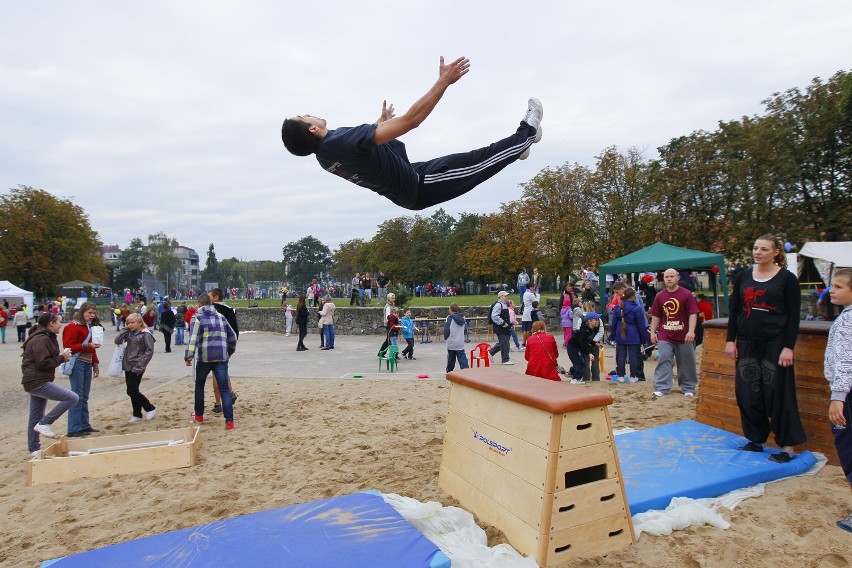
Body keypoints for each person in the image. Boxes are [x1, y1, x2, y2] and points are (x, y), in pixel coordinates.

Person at [281, 56, 543, 211]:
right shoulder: (340, 141)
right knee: (480, 160)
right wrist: (443, 81)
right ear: (312, 129)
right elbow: (412, 120)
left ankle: (516, 149)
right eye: (303, 117)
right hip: (419, 187)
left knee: (480, 159)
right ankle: (528, 132)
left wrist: (379, 123)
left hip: (412, 177)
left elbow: (361, 156)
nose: (308, 113)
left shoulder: (325, 156)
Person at [725, 235, 805, 462]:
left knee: (778, 394)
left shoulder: (787, 279)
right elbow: (735, 312)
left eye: (763, 249)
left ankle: (788, 446)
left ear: (776, 252)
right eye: (755, 248)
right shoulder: (743, 277)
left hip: (776, 345)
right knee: (748, 394)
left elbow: (793, 317)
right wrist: (731, 340)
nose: (757, 252)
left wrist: (788, 347)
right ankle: (756, 440)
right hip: (748, 344)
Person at [22, 313, 78, 457]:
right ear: (51, 324)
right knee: (72, 398)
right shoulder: (41, 339)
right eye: (59, 321)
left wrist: (61, 358)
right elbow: (43, 363)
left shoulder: (44, 336)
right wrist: (62, 358)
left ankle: (34, 449)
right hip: (37, 381)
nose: (61, 324)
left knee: (35, 417)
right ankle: (45, 423)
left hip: (35, 380)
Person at [185, 293, 237, 430]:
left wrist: (188, 356)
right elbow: (232, 338)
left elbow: (193, 338)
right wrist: (229, 352)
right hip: (221, 356)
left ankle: (199, 415)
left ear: (199, 304)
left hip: (205, 357)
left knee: (200, 385)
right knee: (224, 389)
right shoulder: (221, 317)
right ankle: (229, 422)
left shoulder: (197, 318)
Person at [825, 267, 852, 533]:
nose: (831, 290)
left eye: (839, 286)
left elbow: (845, 361)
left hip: (847, 395)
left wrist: (838, 397)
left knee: (848, 447)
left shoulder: (847, 321)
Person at [649, 269, 699, 397]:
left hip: (684, 334)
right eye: (666, 277)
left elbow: (693, 314)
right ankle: (662, 387)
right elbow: (656, 315)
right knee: (664, 358)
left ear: (678, 278)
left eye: (671, 276)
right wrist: (653, 332)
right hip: (665, 334)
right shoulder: (659, 296)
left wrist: (691, 331)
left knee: (686, 361)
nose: (669, 279)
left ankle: (688, 387)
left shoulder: (687, 294)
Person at [62, 302, 102, 437]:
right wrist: (86, 345)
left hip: (87, 362)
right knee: (76, 396)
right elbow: (68, 346)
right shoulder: (72, 327)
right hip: (77, 363)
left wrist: (95, 364)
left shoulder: (88, 327)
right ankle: (73, 428)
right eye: (89, 313)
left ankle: (84, 424)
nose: (92, 315)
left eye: (94, 313)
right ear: (82, 312)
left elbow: (92, 348)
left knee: (84, 396)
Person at [114, 313, 156, 424]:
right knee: (133, 390)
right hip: (128, 364)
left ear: (140, 322)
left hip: (137, 365)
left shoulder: (146, 334)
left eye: (132, 322)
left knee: (131, 390)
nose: (130, 325)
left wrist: (141, 364)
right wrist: (124, 329)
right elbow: (117, 341)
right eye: (128, 323)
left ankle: (150, 407)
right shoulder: (129, 332)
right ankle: (137, 413)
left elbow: (149, 351)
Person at [209, 288, 240, 413]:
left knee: (216, 373)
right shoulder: (228, 309)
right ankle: (230, 392)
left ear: (216, 297)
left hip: (219, 344)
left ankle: (218, 403)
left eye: (209, 296)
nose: (208, 298)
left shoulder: (215, 309)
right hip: (229, 344)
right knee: (221, 369)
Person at [609, 287, 646, 382]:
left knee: (621, 355)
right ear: (633, 296)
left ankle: (621, 375)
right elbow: (641, 324)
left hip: (620, 332)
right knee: (633, 355)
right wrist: (643, 338)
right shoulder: (636, 308)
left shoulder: (618, 307)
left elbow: (613, 323)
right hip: (633, 333)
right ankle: (633, 376)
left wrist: (613, 335)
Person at [567, 313, 601, 384]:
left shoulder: (589, 330)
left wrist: (594, 343)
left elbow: (587, 340)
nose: (597, 321)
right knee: (581, 363)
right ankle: (575, 379)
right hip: (573, 348)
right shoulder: (585, 331)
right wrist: (589, 353)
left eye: (598, 319)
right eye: (595, 320)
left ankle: (571, 372)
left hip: (576, 347)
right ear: (589, 321)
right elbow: (583, 343)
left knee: (581, 362)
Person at [488, 291, 514, 365]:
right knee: (504, 343)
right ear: (501, 296)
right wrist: (502, 323)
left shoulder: (503, 305)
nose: (507, 297)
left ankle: (491, 352)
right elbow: (494, 316)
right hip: (501, 327)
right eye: (505, 296)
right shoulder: (498, 305)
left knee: (504, 342)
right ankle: (505, 360)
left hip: (505, 327)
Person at [444, 303, 469, 372]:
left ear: (451, 309)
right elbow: (465, 329)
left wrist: (446, 338)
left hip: (451, 341)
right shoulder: (462, 319)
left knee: (451, 358)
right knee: (462, 356)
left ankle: (449, 371)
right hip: (460, 341)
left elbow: (446, 330)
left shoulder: (449, 318)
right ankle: (466, 370)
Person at [521, 282, 539, 346]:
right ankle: (529, 342)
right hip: (530, 312)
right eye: (533, 287)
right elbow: (536, 302)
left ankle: (524, 342)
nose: (534, 288)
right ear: (530, 287)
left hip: (525, 312)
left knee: (525, 329)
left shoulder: (525, 293)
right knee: (529, 329)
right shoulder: (530, 294)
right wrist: (537, 295)